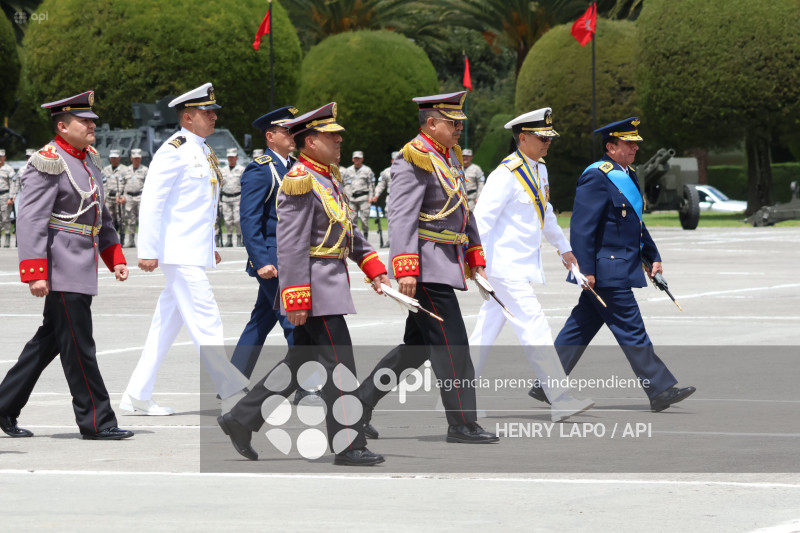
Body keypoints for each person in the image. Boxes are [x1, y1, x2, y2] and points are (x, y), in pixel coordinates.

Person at [218, 102, 389, 466]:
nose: (339, 140)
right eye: (331, 136)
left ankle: (241, 419)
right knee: (341, 365)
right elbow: (292, 245)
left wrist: (372, 265)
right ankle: (350, 445)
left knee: (301, 363)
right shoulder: (300, 180)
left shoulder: (327, 176)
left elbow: (346, 228)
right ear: (310, 141)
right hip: (314, 291)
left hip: (327, 284)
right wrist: (294, 298)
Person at [356, 91, 499, 444]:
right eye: (452, 123)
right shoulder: (413, 158)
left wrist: (474, 257)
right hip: (425, 267)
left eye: (460, 123)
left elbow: (462, 210)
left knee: (416, 349)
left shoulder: (446, 157)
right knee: (454, 345)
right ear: (431, 123)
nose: (458, 130)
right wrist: (405, 267)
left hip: (443, 262)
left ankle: (356, 406)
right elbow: (401, 216)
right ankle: (462, 423)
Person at [534, 117, 696, 413]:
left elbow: (635, 224)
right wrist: (586, 270)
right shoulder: (597, 176)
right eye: (628, 142)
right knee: (631, 328)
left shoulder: (628, 174)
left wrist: (652, 256)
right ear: (610, 147)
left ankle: (547, 383)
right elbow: (582, 228)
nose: (635, 147)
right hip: (606, 270)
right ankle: (659, 388)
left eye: (636, 142)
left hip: (620, 265)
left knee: (581, 326)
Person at [0, 91, 133, 440]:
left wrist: (114, 257)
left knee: (48, 343)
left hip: (82, 266)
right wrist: (35, 272)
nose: (92, 126)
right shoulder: (48, 160)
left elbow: (99, 216)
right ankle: (97, 421)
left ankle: (3, 406)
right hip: (60, 268)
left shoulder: (89, 159)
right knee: (79, 347)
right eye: (84, 121)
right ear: (62, 126)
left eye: (92, 120)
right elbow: (30, 220)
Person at [121, 83, 249, 416]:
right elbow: (153, 201)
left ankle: (137, 393)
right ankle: (233, 391)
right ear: (188, 117)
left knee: (165, 326)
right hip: (177, 253)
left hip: (191, 250)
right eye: (207, 113)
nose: (214, 117)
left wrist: (209, 246)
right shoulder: (173, 149)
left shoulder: (203, 149)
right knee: (207, 318)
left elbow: (197, 205)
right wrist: (147, 250)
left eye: (214, 112)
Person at [467, 108, 594, 422]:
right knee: (534, 324)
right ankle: (560, 397)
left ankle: (455, 397)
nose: (547, 143)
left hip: (516, 266)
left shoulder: (539, 170)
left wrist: (564, 248)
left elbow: (545, 212)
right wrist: (476, 262)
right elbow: (480, 220)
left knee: (484, 333)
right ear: (522, 138)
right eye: (541, 137)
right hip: (502, 267)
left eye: (549, 137)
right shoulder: (504, 175)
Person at [229, 106, 298, 379]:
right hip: (272, 260)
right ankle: (306, 384)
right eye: (287, 131)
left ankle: (231, 380)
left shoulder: (294, 168)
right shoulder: (261, 170)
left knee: (261, 319)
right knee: (294, 322)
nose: (293, 135)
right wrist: (261, 261)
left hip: (289, 258)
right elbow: (249, 220)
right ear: (270, 136)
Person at [101, 149, 131, 245]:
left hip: (120, 198)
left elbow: (128, 184)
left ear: (119, 158)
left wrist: (123, 196)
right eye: (112, 158)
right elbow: (103, 184)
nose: (113, 159)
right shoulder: (105, 170)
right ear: (110, 158)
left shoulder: (125, 170)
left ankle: (121, 240)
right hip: (109, 198)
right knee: (110, 219)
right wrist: (104, 197)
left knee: (121, 219)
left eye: (115, 158)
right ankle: (112, 240)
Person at [343, 150, 375, 238]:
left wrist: (371, 196)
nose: (357, 160)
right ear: (353, 159)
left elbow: (371, 184)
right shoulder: (348, 170)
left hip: (364, 198)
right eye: (355, 158)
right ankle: (355, 237)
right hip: (352, 198)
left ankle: (365, 236)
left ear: (362, 159)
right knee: (352, 219)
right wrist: (346, 196)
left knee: (364, 219)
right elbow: (345, 184)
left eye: (359, 158)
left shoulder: (367, 170)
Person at [122, 148, 147, 248]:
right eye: (135, 158)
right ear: (131, 158)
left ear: (140, 158)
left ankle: (144, 241)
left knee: (143, 219)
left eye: (138, 158)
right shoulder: (126, 170)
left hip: (141, 197)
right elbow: (122, 184)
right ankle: (131, 241)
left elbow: (148, 185)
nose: (137, 160)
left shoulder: (145, 170)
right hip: (129, 197)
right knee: (130, 220)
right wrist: (122, 196)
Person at [220, 147, 245, 247]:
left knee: (237, 219)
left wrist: (242, 198)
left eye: (233, 157)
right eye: (229, 157)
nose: (231, 159)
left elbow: (245, 185)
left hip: (237, 198)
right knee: (227, 220)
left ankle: (239, 237)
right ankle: (229, 239)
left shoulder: (241, 169)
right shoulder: (223, 170)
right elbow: (220, 185)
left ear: (236, 158)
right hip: (226, 198)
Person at [0, 149, 16, 247]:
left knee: (6, 217)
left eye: (1, 156)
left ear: (5, 157)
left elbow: (13, 184)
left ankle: (7, 237)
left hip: (5, 196)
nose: (0, 158)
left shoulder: (9, 169)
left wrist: (11, 197)